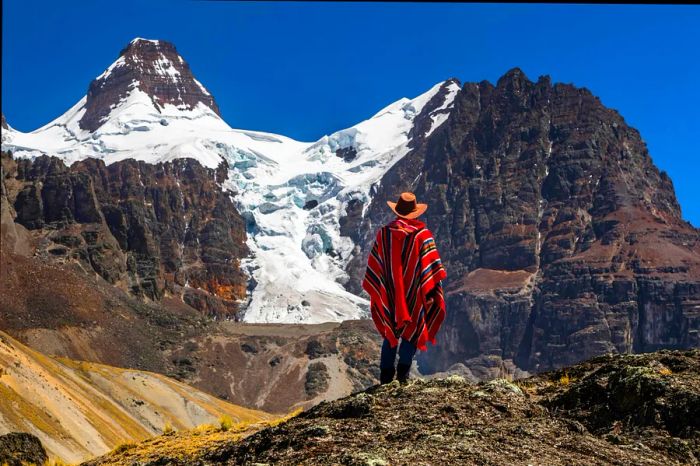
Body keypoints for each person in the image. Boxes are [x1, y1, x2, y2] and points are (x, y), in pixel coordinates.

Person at [362, 192, 447, 385]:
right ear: (415, 213)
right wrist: (431, 292)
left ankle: (385, 380)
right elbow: (431, 267)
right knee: (413, 329)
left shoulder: (384, 234)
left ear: (397, 212)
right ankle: (402, 377)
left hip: (389, 293)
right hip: (415, 295)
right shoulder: (423, 236)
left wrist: (384, 288)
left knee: (390, 332)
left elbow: (377, 266)